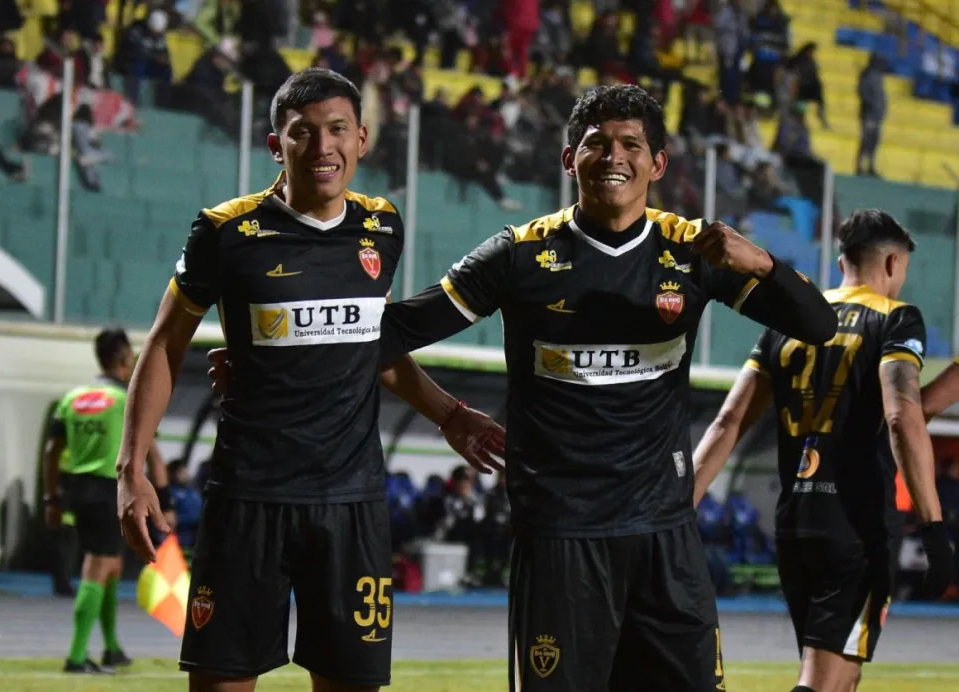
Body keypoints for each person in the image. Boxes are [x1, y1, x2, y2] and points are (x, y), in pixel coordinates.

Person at [369, 84, 838, 690]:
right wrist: (447, 413)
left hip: (664, 538)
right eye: (597, 143)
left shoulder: (692, 252)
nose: (614, 156)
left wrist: (766, 266)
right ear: (570, 159)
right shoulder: (519, 256)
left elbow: (818, 326)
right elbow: (387, 333)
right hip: (561, 537)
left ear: (658, 163)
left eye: (631, 144)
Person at [116, 68, 503, 692]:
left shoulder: (383, 226)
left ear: (363, 139)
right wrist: (131, 469)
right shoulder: (226, 231)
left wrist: (449, 413)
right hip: (249, 497)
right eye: (303, 133)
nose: (322, 147)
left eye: (337, 131)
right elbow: (163, 345)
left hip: (352, 503)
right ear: (277, 145)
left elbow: (366, 346)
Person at [691, 210, 954, 692]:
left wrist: (675, 505)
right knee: (823, 682)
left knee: (840, 675)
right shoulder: (895, 318)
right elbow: (902, 416)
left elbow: (729, 420)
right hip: (857, 525)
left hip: (795, 523)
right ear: (893, 262)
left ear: (840, 262)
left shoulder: (791, 318)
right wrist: (934, 527)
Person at [43, 327, 172, 674]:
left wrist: (51, 498)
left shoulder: (73, 398)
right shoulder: (124, 399)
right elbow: (153, 456)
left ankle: (112, 647)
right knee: (98, 566)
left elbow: (52, 453)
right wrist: (166, 502)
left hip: (77, 489)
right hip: (109, 489)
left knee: (111, 566)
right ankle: (75, 656)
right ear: (124, 356)